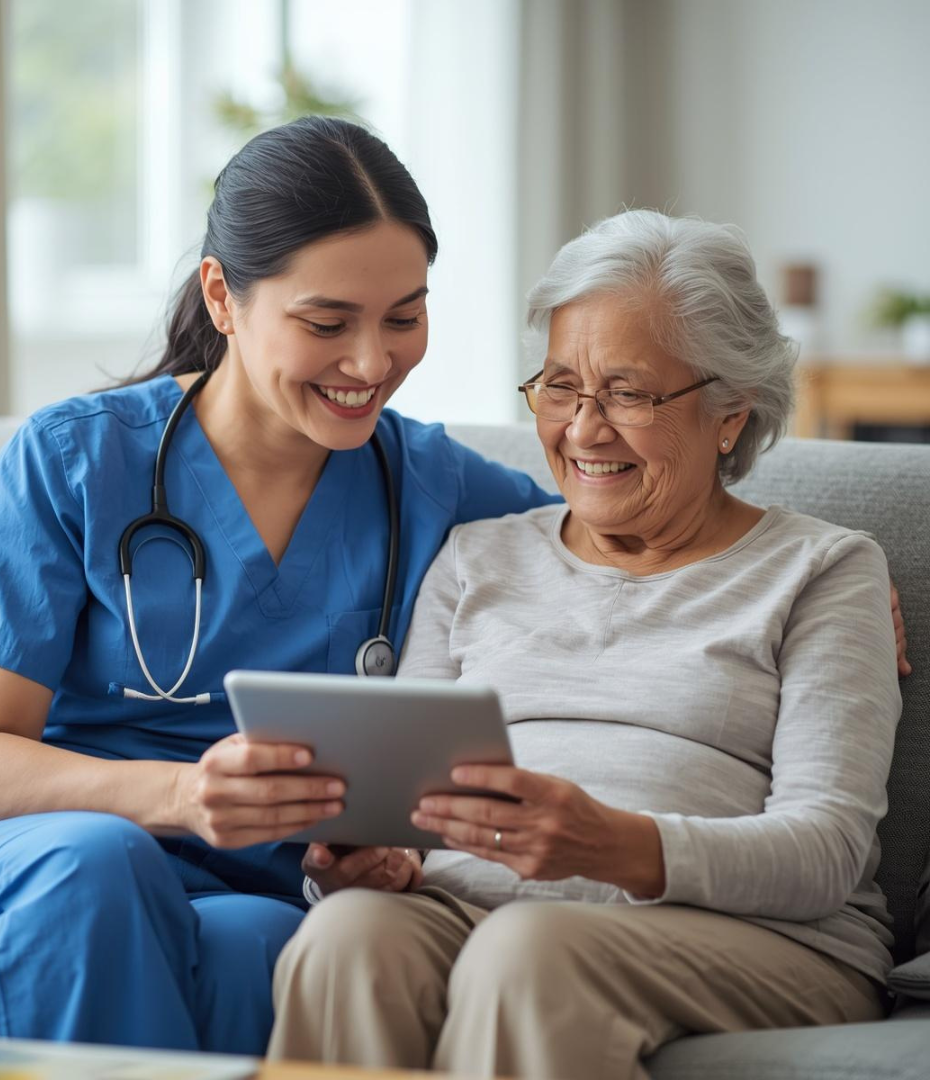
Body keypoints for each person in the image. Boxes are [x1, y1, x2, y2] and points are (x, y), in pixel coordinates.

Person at [0, 117, 560, 1053]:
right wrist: (184, 796)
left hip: (242, 884)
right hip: (1, 861)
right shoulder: (75, 461)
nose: (371, 363)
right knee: (95, 871)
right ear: (222, 296)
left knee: (263, 947)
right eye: (326, 322)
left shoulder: (438, 486)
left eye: (404, 315)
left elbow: (618, 550)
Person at [268, 210, 907, 1079]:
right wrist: (375, 858)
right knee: (346, 935)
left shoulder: (823, 570)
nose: (583, 429)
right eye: (561, 387)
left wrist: (616, 845)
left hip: (758, 938)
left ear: (730, 412)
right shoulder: (478, 555)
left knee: (530, 952)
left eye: (630, 393)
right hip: (478, 905)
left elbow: (826, 851)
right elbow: (405, 810)